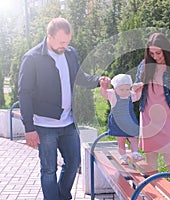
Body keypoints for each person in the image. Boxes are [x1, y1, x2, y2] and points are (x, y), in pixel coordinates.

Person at [18, 18, 102, 200]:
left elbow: (80, 77)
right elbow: (24, 94)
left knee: (73, 163)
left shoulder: (70, 53)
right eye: (62, 41)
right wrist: (29, 128)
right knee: (49, 169)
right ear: (50, 37)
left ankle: (63, 196)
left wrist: (98, 80)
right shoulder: (32, 58)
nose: (66, 45)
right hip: (44, 125)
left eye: (68, 41)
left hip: (68, 122)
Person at [135, 32, 170, 191]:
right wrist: (136, 87)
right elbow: (137, 93)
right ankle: (153, 195)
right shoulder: (144, 66)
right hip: (147, 117)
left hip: (168, 119)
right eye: (151, 53)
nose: (155, 56)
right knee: (150, 159)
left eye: (158, 53)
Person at [100, 74, 144, 164]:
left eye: (127, 89)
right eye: (122, 89)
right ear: (115, 88)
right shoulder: (112, 94)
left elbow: (137, 96)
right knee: (121, 140)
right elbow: (104, 94)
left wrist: (140, 88)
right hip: (117, 121)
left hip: (129, 120)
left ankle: (135, 153)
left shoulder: (130, 95)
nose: (125, 91)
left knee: (133, 138)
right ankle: (123, 157)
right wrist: (103, 87)